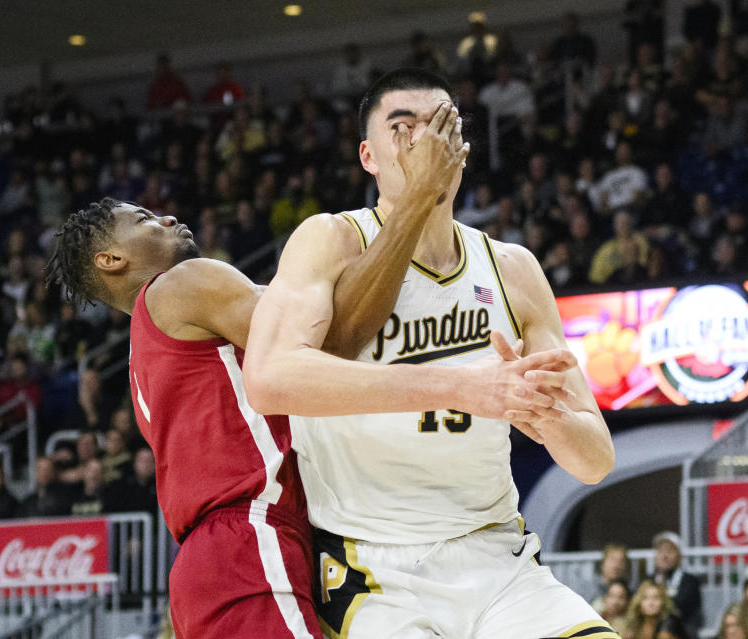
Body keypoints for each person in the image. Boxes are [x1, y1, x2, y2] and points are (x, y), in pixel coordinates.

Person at [45, 104, 567, 636]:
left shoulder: (147, 345)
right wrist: (413, 204)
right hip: (248, 535)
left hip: (223, 554)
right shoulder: (184, 284)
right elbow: (330, 339)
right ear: (111, 260)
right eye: (144, 220)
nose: (168, 218)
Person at [243, 68, 616, 639]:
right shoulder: (332, 239)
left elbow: (594, 461)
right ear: (368, 156)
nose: (425, 139)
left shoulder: (512, 267)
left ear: (461, 149)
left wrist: (547, 414)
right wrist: (464, 387)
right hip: (376, 569)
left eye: (441, 124)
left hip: (497, 558)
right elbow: (269, 378)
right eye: (403, 126)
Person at [650, 532, 702, 638]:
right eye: (660, 551)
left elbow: (682, 609)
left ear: (679, 556)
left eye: (669, 551)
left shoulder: (690, 581)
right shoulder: (648, 581)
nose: (664, 556)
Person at [623, 581, 688, 639]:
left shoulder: (669, 623)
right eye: (646, 598)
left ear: (663, 602)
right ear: (639, 603)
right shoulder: (635, 625)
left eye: (656, 598)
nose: (651, 603)